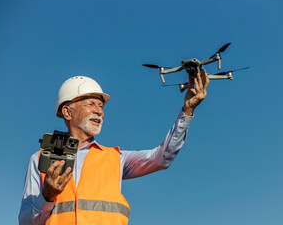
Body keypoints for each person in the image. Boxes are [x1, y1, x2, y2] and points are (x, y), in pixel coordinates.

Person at [19, 70, 209, 225]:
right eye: (91, 104)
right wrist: (47, 196)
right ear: (67, 112)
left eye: (101, 106)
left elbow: (162, 157)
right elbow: (25, 222)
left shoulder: (116, 159)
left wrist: (187, 112)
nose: (99, 111)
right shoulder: (40, 159)